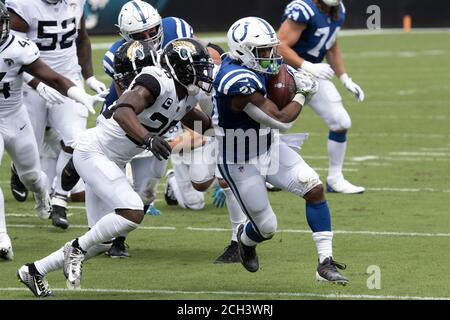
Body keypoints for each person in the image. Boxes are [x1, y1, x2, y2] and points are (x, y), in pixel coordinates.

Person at [17, 38, 215, 297]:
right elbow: (123, 111)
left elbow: (201, 123)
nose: (203, 74)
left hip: (113, 161)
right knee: (132, 210)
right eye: (198, 68)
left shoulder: (185, 95)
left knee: (102, 241)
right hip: (95, 152)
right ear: (181, 67)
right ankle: (74, 250)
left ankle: (34, 271)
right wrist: (148, 138)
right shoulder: (156, 79)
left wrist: (222, 136)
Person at [213, 16, 348, 284]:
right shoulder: (235, 80)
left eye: (270, 49)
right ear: (243, 51)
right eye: (262, 51)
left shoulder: (256, 64)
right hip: (240, 159)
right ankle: (245, 241)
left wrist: (296, 77)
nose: (269, 56)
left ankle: (325, 263)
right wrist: (302, 94)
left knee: (314, 187)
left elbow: (280, 75)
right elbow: (281, 120)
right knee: (266, 228)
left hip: (268, 145)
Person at [0, 2, 104, 261]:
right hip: (24, 97)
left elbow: (52, 74)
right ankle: (2, 237)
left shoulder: (15, 46)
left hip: (16, 113)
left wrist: (82, 91)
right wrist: (35, 84)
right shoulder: (23, 6)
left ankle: (49, 196)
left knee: (35, 175)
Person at [277, 0, 365, 194]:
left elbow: (331, 47)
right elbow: (279, 46)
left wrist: (345, 78)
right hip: (287, 74)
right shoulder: (303, 10)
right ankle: (266, 174)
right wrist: (306, 65)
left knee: (341, 122)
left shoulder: (338, 10)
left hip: (314, 75)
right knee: (276, 126)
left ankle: (335, 178)